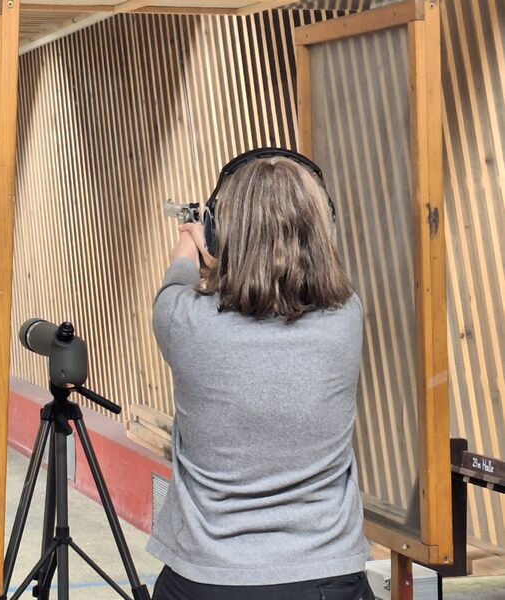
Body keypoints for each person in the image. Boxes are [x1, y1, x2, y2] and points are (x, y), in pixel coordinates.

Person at [147, 149, 374, 600]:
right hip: (326, 579)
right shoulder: (347, 316)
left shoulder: (180, 319)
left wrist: (192, 246)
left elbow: (177, 281)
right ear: (323, 230)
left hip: (205, 581)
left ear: (220, 235)